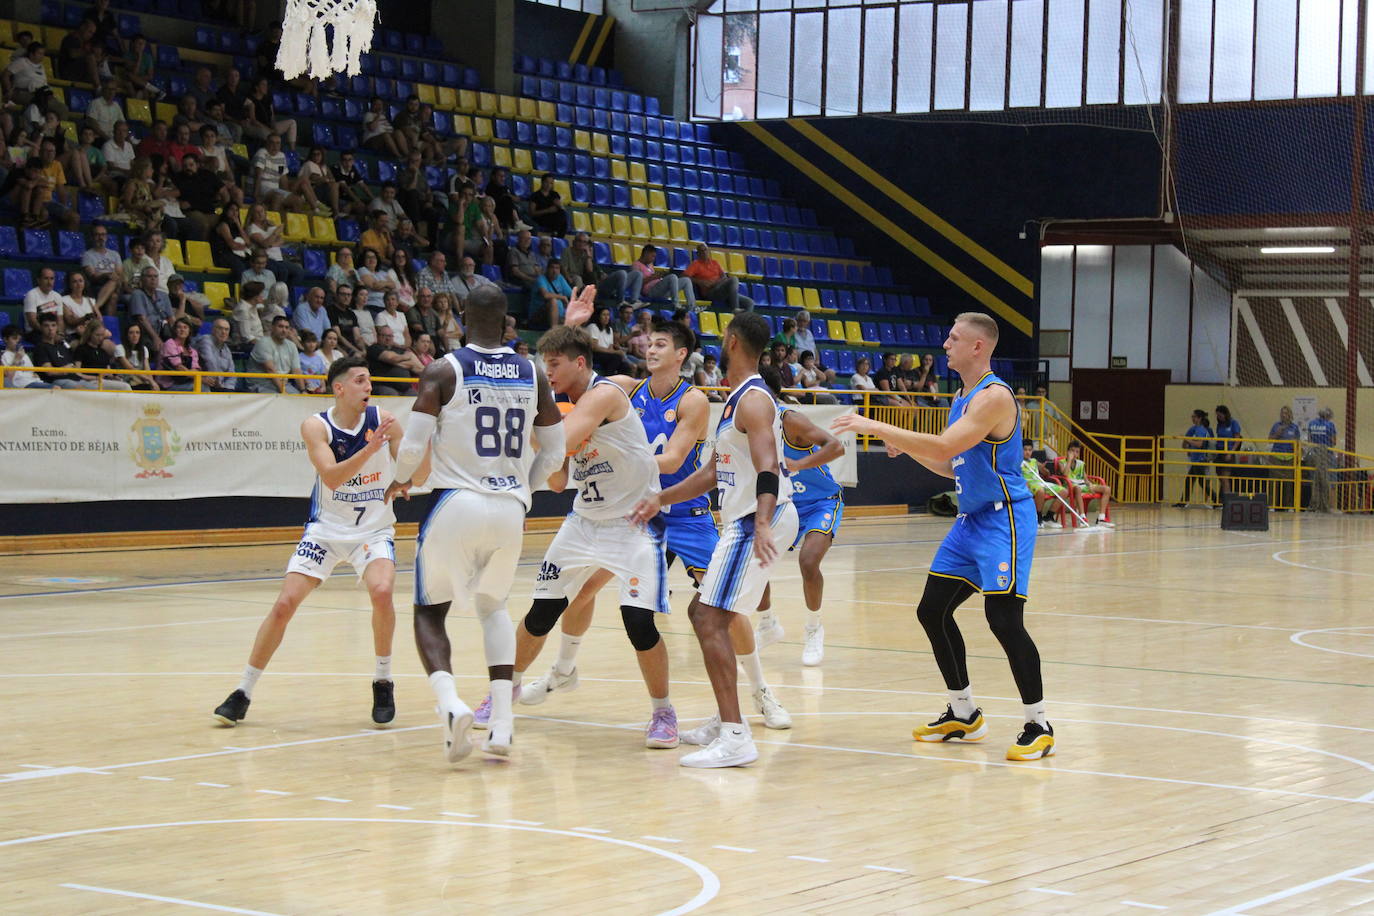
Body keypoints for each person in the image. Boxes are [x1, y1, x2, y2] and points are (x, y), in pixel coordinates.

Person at [830, 312, 1054, 762]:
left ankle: (1039, 722)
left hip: (1004, 519)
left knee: (1004, 620)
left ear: (978, 347)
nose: (945, 343)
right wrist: (908, 447)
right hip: (970, 520)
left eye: (954, 337)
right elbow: (947, 463)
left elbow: (945, 447)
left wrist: (874, 426)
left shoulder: (992, 397)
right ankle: (964, 712)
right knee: (932, 610)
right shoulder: (962, 396)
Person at [388, 284, 564, 763]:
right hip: (510, 509)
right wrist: (523, 492)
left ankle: (450, 705)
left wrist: (399, 483)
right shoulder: (532, 372)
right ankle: (502, 726)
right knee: (495, 607)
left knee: (429, 611)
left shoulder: (444, 369)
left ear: (463, 317)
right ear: (508, 320)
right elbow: (554, 451)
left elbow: (411, 448)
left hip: (457, 502)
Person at [484, 321, 680, 749]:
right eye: (542, 365)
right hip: (583, 522)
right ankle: (505, 691)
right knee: (540, 612)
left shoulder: (605, 394)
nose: (546, 372)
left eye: (553, 365)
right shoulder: (564, 406)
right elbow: (557, 481)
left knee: (639, 623)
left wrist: (526, 418)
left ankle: (664, 713)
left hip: (633, 526)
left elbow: (562, 443)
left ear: (578, 363)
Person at [627, 311, 799, 768]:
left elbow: (765, 466)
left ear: (732, 341)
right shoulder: (737, 397)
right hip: (747, 517)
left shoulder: (753, 401)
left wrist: (761, 523)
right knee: (704, 612)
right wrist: (659, 498)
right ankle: (729, 722)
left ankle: (737, 736)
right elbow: (711, 474)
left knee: (708, 617)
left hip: (757, 518)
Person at [212, 357, 405, 728]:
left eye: (369, 381)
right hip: (326, 531)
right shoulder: (315, 426)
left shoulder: (385, 419)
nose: (368, 387)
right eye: (360, 381)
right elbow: (332, 477)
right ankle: (242, 691)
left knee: (382, 592)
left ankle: (383, 680)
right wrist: (371, 448)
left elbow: (412, 466)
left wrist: (409, 473)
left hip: (372, 530)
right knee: (284, 604)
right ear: (340, 388)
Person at [748, 365, 845, 667]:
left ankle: (814, 628)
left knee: (808, 561)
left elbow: (837, 446)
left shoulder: (790, 420)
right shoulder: (749, 424)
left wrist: (798, 464)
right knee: (757, 562)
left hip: (820, 501)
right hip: (783, 503)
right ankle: (767, 623)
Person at [31, 314, 100, 389]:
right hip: (56, 381)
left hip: (75, 379)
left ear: (57, 327)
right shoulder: (40, 348)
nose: (50, 329)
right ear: (41, 327)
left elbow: (74, 370)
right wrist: (65, 369)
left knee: (99, 387)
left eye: (53, 325)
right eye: (46, 326)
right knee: (82, 389)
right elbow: (49, 371)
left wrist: (95, 377)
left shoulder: (62, 345)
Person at [1057, 440, 1113, 526]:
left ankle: (1101, 518)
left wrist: (1090, 485)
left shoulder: (1081, 464)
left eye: (1077, 452)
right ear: (1068, 451)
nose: (1074, 453)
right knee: (1078, 488)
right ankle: (1082, 517)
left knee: (1107, 489)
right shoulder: (1062, 462)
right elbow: (1064, 474)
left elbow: (1085, 479)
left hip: (1082, 485)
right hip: (1070, 486)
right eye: (1072, 451)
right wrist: (1069, 461)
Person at [684, 243, 753, 311]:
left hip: (720, 288)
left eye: (706, 250)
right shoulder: (696, 264)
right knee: (734, 279)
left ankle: (741, 321)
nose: (704, 252)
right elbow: (684, 276)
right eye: (702, 251)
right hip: (710, 291)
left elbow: (724, 276)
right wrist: (700, 282)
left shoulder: (714, 262)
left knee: (749, 303)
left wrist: (716, 282)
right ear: (698, 254)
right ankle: (735, 309)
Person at [1174, 410, 1217, 508]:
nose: (1192, 418)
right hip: (1195, 460)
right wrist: (1186, 443)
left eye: (1194, 417)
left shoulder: (1201, 430)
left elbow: (1199, 444)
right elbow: (1185, 445)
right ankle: (1183, 502)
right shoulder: (1193, 429)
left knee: (1202, 483)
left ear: (1199, 418)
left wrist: (1186, 439)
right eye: (1192, 416)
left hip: (1200, 460)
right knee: (1190, 481)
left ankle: (1217, 501)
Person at [250, 315, 302, 393]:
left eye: (286, 327)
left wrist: (303, 390)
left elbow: (297, 371)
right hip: (261, 385)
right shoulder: (263, 343)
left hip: (284, 385)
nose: (284, 330)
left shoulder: (292, 345)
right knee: (283, 401)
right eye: (280, 326)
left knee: (300, 399)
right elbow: (270, 370)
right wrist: (283, 393)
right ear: (272, 328)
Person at [366, 324, 423, 395]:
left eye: (390, 336)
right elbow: (392, 358)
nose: (387, 338)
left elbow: (419, 368)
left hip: (405, 389)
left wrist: (400, 362)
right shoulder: (374, 348)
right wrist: (408, 356)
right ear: (378, 336)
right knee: (391, 394)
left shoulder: (400, 350)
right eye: (384, 335)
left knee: (414, 394)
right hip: (382, 386)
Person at [1021, 441, 1067, 527]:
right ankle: (1038, 517)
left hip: (1039, 482)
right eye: (1025, 450)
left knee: (1064, 491)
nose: (1028, 452)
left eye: (1030, 450)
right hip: (1027, 484)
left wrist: (1043, 469)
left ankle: (1049, 517)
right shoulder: (1017, 462)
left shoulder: (1034, 461)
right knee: (1040, 491)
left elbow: (1047, 474)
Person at [81, 225, 123, 314]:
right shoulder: (87, 255)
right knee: (113, 297)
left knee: (114, 280)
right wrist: (106, 275)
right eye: (97, 235)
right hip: (97, 286)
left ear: (106, 237)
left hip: (117, 286)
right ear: (92, 237)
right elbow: (92, 276)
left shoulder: (115, 254)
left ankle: (95, 307)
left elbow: (119, 274)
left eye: (103, 235)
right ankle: (110, 326)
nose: (101, 237)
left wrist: (110, 275)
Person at [1268, 405, 1302, 510]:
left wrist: (1297, 457)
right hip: (1276, 456)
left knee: (1288, 483)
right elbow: (1270, 439)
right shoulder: (1276, 426)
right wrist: (1278, 433)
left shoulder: (1294, 428)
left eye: (1286, 413)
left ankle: (1288, 506)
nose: (1284, 415)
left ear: (1290, 415)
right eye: (1282, 413)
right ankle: (1272, 505)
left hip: (1289, 458)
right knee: (1274, 482)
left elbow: (1297, 443)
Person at [1306, 407, 1337, 512]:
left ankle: (1315, 504)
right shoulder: (1330, 425)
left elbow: (1309, 439)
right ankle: (1328, 506)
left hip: (1314, 453)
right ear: (1328, 416)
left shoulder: (1311, 423)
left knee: (1315, 480)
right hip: (1326, 454)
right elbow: (1333, 441)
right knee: (1329, 481)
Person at [157, 316, 201, 390]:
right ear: (175, 330)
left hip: (186, 382)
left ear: (189, 331)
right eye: (179, 327)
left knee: (202, 387)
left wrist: (195, 375)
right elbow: (179, 367)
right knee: (198, 387)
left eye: (185, 327)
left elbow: (195, 369)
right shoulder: (169, 343)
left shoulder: (192, 351)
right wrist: (199, 378)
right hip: (168, 384)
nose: (182, 330)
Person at [195, 316, 238, 391]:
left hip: (221, 386)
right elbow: (210, 362)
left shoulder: (226, 349)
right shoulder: (205, 340)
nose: (223, 332)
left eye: (226, 329)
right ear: (213, 330)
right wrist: (218, 382)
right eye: (220, 328)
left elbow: (232, 373)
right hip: (206, 384)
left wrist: (228, 387)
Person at [2, 324, 48, 388]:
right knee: (55, 389)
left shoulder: (24, 354)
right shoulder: (3, 356)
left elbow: (33, 372)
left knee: (57, 388)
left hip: (34, 382)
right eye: (14, 338)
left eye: (19, 339)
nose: (17, 342)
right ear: (5, 339)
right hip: (22, 385)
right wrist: (16, 360)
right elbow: (8, 379)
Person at [531, 259, 573, 329]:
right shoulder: (541, 279)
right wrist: (562, 297)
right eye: (552, 268)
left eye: (557, 268)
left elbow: (572, 294)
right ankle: (553, 330)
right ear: (547, 269)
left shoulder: (560, 278)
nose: (554, 271)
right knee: (552, 301)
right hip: (539, 315)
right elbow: (545, 295)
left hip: (559, 315)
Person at [22, 268, 63, 338]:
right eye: (46, 278)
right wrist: (49, 333)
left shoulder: (57, 296)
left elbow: (60, 320)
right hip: (35, 332)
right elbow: (32, 321)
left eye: (52, 279)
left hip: (53, 332)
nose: (49, 282)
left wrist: (59, 333)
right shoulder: (31, 295)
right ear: (39, 280)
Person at [527, 172, 567, 237]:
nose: (548, 185)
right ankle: (556, 233)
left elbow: (563, 209)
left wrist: (559, 205)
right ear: (542, 182)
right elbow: (532, 213)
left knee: (562, 214)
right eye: (546, 182)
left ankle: (559, 235)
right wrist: (547, 210)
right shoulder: (535, 195)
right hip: (540, 218)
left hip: (552, 218)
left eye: (551, 183)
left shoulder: (554, 194)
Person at [1214, 405, 1242, 493]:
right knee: (1221, 478)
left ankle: (1227, 501)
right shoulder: (1220, 425)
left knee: (1225, 478)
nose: (1219, 418)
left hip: (1229, 452)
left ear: (1225, 414)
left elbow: (1237, 440)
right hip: (1220, 453)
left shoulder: (1234, 423)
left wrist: (1230, 453)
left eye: (1220, 416)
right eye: (1217, 416)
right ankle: (1223, 498)